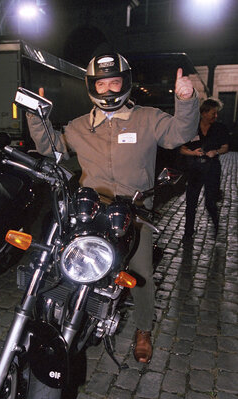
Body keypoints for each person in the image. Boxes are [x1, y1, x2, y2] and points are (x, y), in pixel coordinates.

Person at [27, 53, 199, 363]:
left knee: (141, 272)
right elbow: (51, 148)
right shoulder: (79, 126)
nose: (107, 90)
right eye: (101, 84)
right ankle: (71, 314)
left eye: (114, 83)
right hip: (91, 211)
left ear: (126, 84)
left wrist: (186, 101)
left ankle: (144, 328)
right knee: (67, 262)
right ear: (92, 86)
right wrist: (36, 116)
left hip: (134, 212)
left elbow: (178, 135)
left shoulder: (148, 118)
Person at [180, 98, 229, 242]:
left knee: (210, 202)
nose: (216, 116)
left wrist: (216, 152)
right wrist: (193, 153)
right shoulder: (191, 128)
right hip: (195, 169)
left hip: (212, 169)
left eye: (216, 113)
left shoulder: (220, 128)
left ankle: (216, 226)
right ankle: (188, 233)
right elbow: (182, 149)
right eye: (213, 113)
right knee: (191, 202)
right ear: (204, 112)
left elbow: (226, 147)